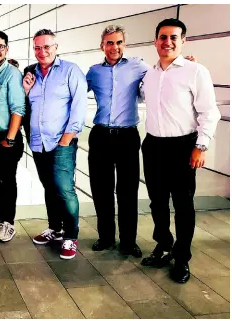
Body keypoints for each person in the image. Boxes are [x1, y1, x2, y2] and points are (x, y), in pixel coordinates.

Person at [140, 18, 220, 283]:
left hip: (183, 146)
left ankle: (182, 258)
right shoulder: (149, 74)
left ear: (183, 41)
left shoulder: (196, 71)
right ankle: (163, 246)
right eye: (163, 37)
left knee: (183, 205)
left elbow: (209, 112)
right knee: (157, 202)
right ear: (155, 41)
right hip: (152, 145)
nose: (168, 42)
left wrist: (201, 145)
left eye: (174, 37)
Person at [23, 29, 87, 260]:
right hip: (38, 144)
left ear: (56, 47)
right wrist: (26, 90)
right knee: (49, 188)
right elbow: (26, 107)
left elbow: (79, 106)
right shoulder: (31, 74)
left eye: (47, 47)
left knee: (64, 189)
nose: (42, 52)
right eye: (37, 48)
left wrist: (67, 138)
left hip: (61, 142)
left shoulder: (71, 71)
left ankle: (70, 236)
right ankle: (56, 229)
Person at [86, 25, 148, 257]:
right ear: (102, 45)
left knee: (128, 191)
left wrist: (187, 62)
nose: (115, 47)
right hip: (101, 136)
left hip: (128, 137)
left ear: (125, 44)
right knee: (101, 190)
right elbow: (73, 91)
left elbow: (163, 75)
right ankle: (105, 237)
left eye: (119, 42)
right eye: (110, 43)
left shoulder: (138, 66)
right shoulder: (93, 72)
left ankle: (128, 241)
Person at [0, 30, 26, 242]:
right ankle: (0, 218)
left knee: (7, 181)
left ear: (7, 49)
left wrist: (9, 138)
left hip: (8, 137)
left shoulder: (12, 74)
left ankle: (8, 223)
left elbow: (18, 108)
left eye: (0, 47)